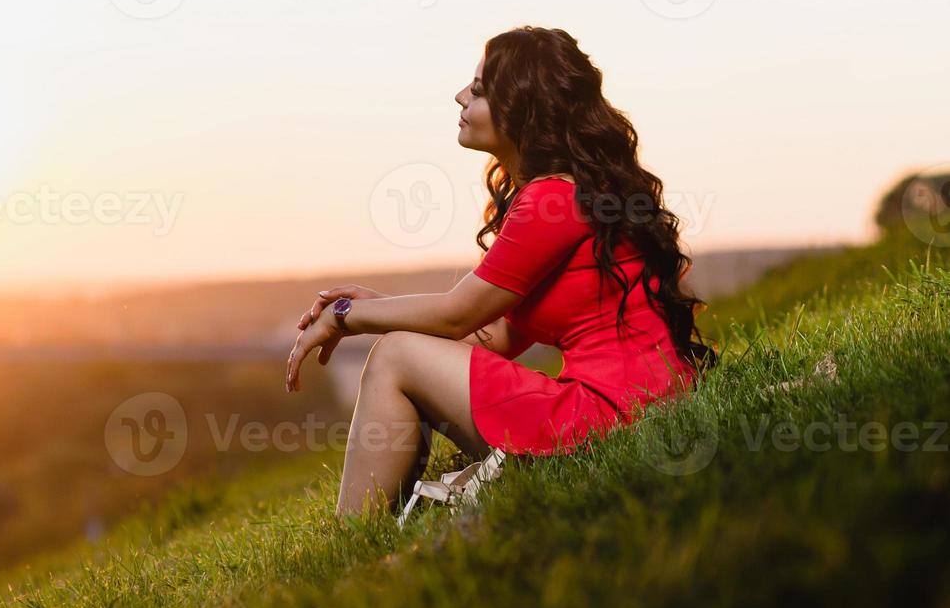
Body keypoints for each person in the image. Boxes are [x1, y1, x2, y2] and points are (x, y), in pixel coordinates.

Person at [284, 27, 717, 516]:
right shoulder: (566, 193)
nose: (460, 96)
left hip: (607, 418)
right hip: (634, 408)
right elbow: (491, 335)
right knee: (402, 351)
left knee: (394, 357)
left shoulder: (552, 199)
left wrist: (345, 316)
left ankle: (354, 534)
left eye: (480, 90)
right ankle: (369, 526)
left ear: (523, 110)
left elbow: (455, 316)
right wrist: (373, 304)